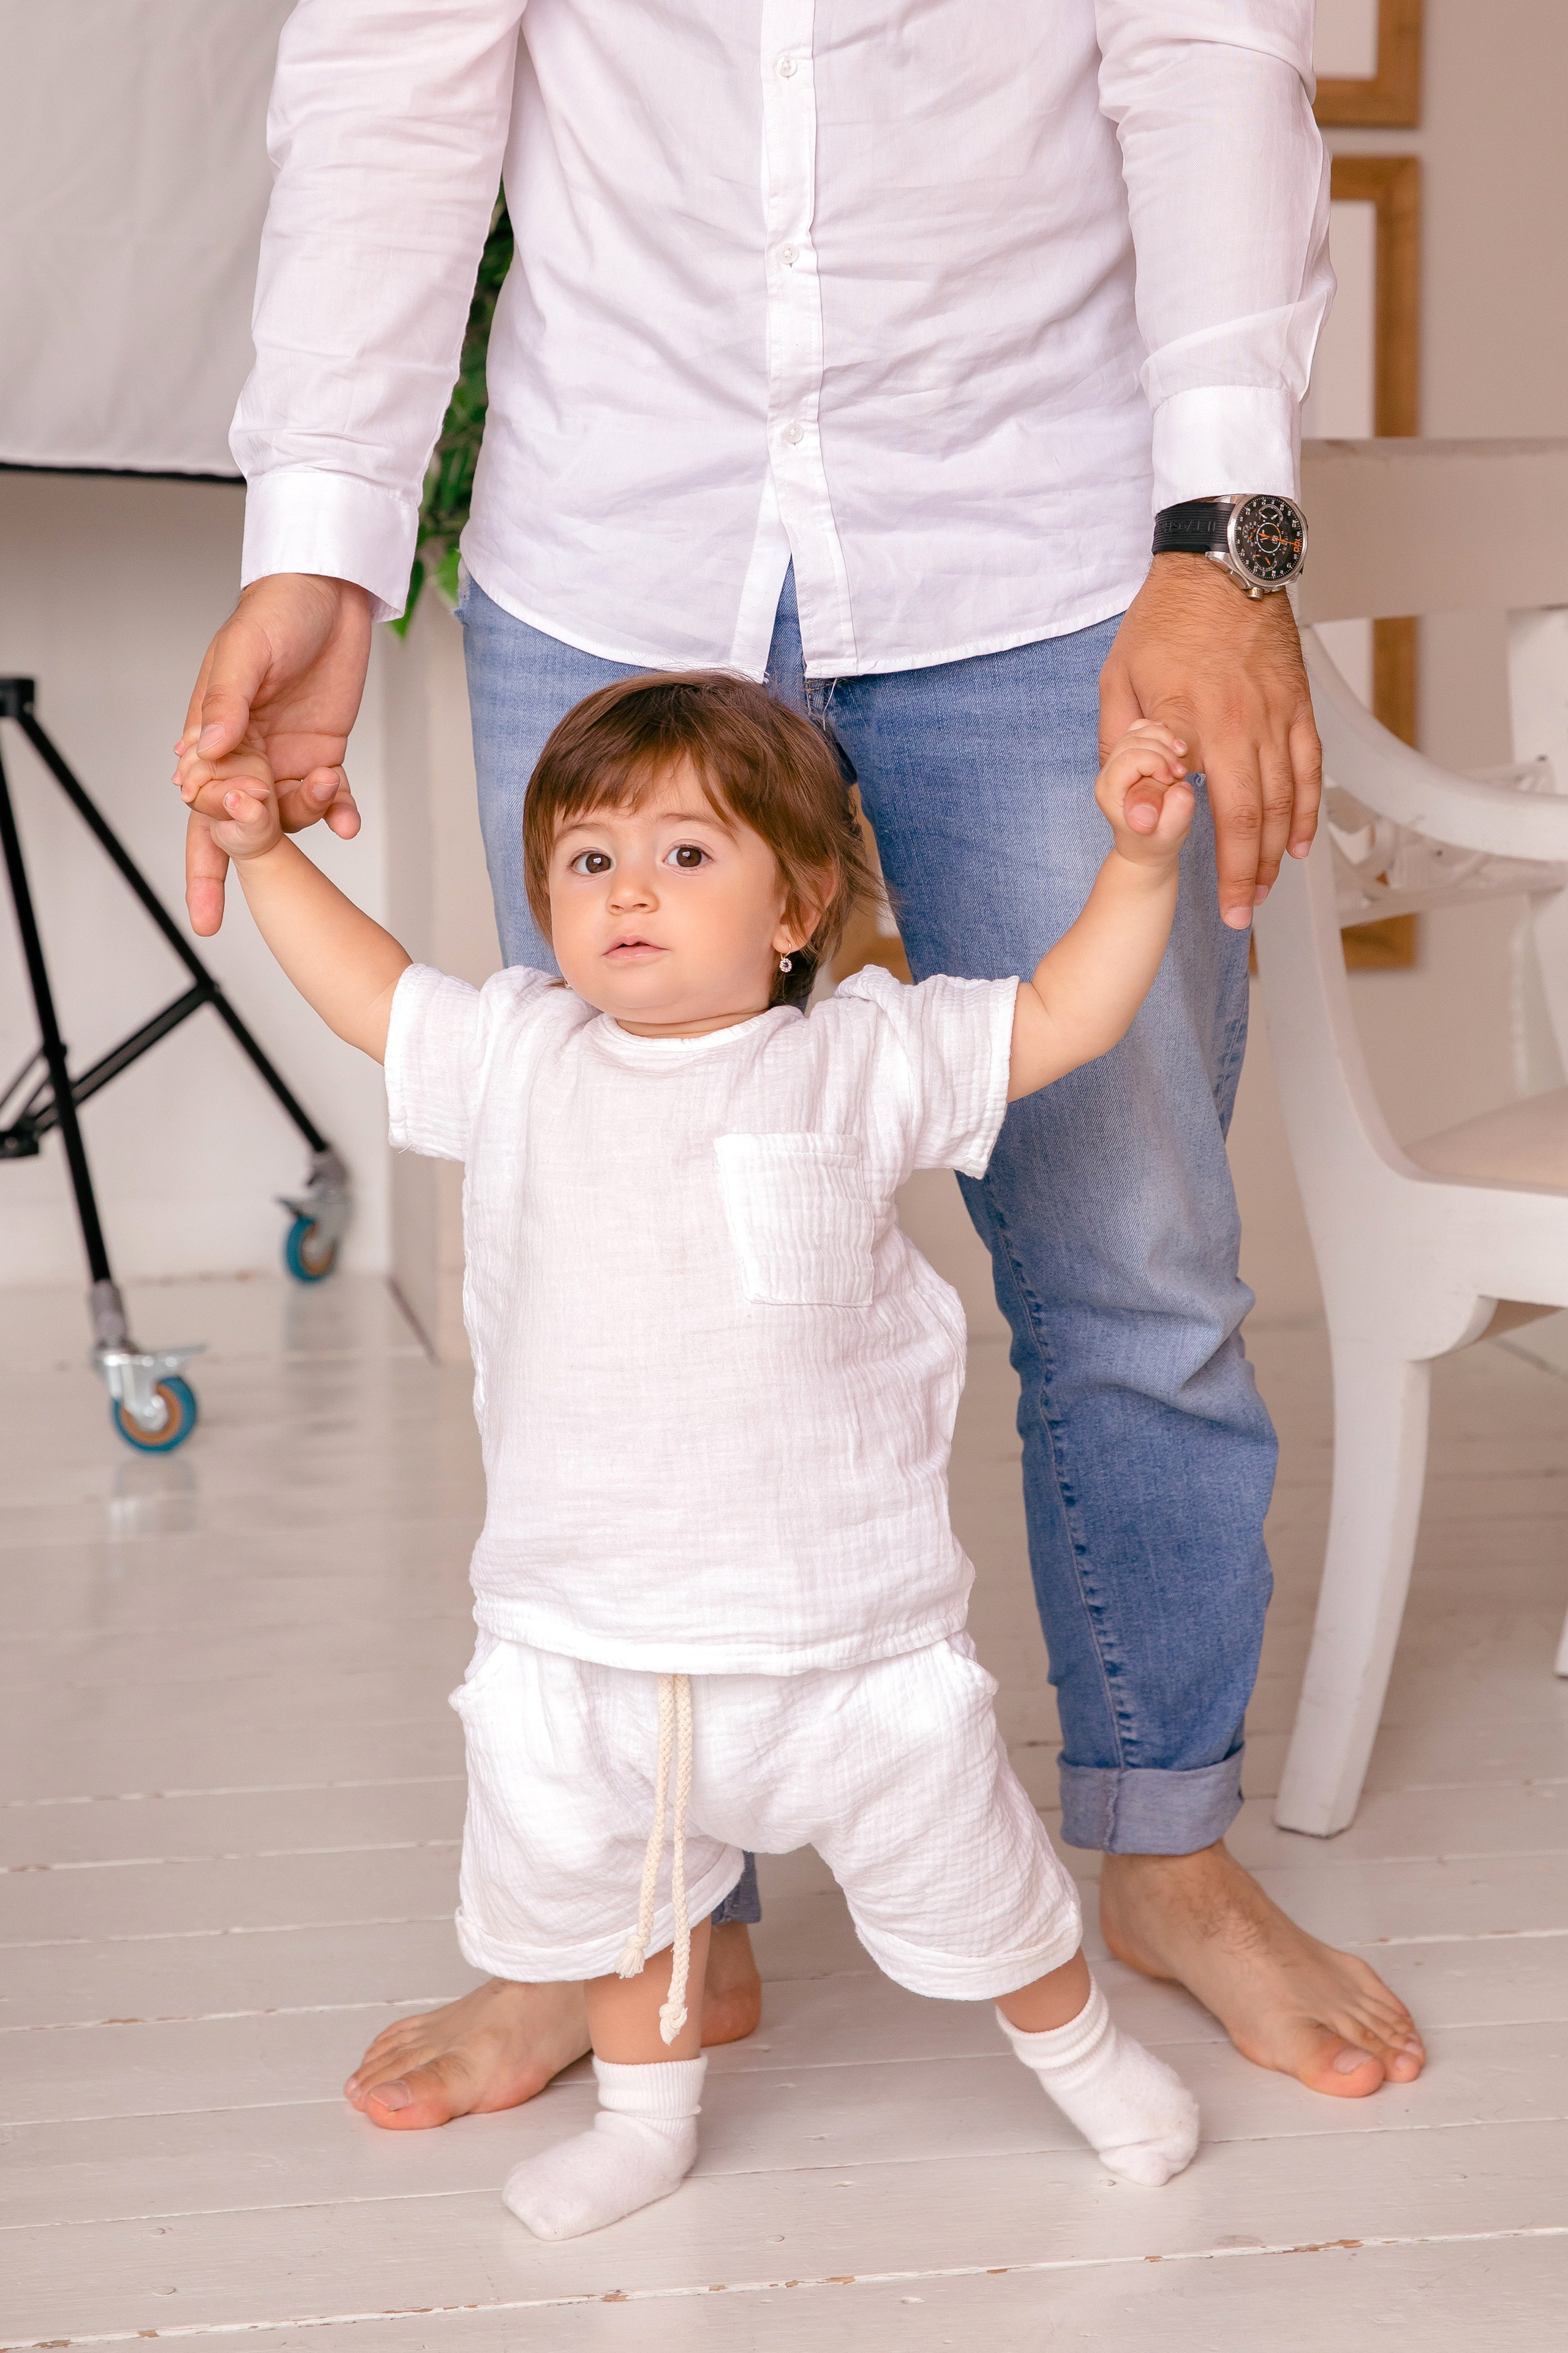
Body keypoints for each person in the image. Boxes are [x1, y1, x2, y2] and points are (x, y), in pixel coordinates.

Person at [176, 1, 1427, 2119]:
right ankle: (658, 1914)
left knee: (1135, 1257)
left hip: (1037, 536)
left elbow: (1211, 50)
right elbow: (394, 77)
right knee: (611, 1254)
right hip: (618, 532)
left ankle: (1162, 1842)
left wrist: (1231, 540)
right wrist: (319, 538)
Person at [179, 667, 1205, 2235]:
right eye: (589, 862)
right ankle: (647, 2121)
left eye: (684, 855)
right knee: (621, 1905)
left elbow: (1065, 1012)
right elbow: (374, 992)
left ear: (793, 907)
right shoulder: (520, 1059)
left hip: (840, 1633)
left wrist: (1134, 867)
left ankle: (1077, 2054)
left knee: (978, 1886)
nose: (627, 894)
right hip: (591, 1628)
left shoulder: (861, 1055)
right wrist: (263, 858)